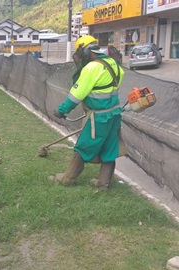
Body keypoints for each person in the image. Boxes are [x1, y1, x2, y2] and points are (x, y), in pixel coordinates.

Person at [49, 35, 125, 189]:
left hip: (98, 118)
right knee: (109, 149)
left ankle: (67, 179)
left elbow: (76, 95)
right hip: (114, 115)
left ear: (86, 51)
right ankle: (103, 184)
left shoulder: (91, 68)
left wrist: (61, 110)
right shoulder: (113, 63)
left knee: (83, 147)